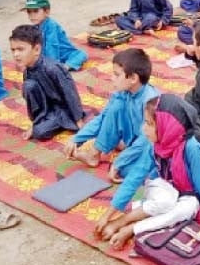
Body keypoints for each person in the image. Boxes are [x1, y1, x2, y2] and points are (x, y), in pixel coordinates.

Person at [96, 94, 200, 250]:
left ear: (168, 126)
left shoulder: (191, 147)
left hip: (188, 194)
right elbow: (135, 177)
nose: (143, 129)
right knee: (166, 201)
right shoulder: (153, 144)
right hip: (162, 186)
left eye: (149, 123)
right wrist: (108, 215)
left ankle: (132, 228)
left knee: (186, 208)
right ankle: (122, 220)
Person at [64, 48, 158, 184]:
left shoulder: (150, 100)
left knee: (127, 170)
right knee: (115, 108)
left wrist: (119, 162)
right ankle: (94, 154)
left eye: (116, 74)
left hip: (150, 144)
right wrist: (77, 139)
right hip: (133, 139)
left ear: (133, 78)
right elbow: (103, 118)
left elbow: (146, 141)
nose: (111, 78)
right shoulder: (122, 92)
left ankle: (121, 147)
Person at [9, 24, 84, 141]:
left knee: (40, 132)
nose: (16, 54)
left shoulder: (52, 68)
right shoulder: (27, 71)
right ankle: (41, 122)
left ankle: (60, 122)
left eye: (20, 49)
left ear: (37, 49)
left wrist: (79, 120)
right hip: (47, 110)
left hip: (62, 110)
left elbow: (70, 93)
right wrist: (35, 123)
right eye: (13, 50)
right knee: (28, 86)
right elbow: (32, 98)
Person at [21, 0, 87, 71]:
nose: (32, 15)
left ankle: (66, 67)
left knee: (81, 54)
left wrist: (52, 67)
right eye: (29, 12)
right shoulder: (35, 26)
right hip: (45, 54)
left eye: (35, 11)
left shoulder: (51, 25)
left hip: (64, 54)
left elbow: (52, 47)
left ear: (47, 12)